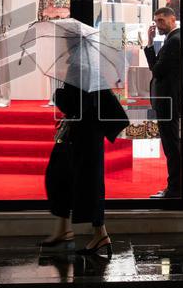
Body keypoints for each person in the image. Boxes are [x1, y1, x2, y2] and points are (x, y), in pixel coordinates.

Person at [39, 84, 129, 257]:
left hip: (84, 135)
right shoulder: (86, 69)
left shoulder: (82, 70)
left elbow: (78, 103)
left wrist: (58, 95)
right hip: (84, 134)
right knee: (64, 176)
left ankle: (99, 234)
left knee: (87, 182)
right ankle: (66, 229)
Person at [145, 7, 183, 199]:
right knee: (171, 144)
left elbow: (157, 70)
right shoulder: (172, 39)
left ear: (172, 19)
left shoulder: (175, 40)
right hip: (168, 100)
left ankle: (175, 188)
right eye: (156, 21)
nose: (158, 25)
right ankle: (175, 186)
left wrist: (150, 45)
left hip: (169, 101)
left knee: (171, 145)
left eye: (161, 21)